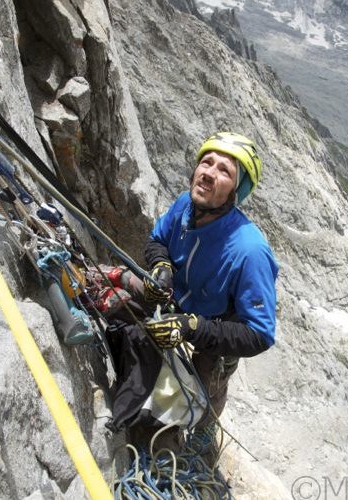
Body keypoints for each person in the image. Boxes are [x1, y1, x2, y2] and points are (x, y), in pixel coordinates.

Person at [102, 132, 279, 454]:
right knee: (108, 282)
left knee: (205, 387)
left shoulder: (249, 251)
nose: (209, 172)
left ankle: (204, 429)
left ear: (236, 191)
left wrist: (192, 328)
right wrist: (161, 267)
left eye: (224, 171)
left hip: (217, 328)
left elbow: (259, 335)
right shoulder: (186, 205)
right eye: (207, 162)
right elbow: (157, 240)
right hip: (174, 300)